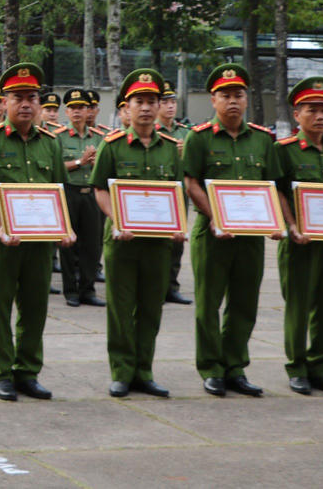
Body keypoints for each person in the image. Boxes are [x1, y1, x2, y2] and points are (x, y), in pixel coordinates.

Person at [0, 63, 74, 401]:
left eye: (32, 97)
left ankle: (28, 372)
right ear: (4, 103)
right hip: (3, 239)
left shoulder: (50, 143)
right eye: (18, 97)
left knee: (35, 306)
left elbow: (58, 189)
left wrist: (64, 229)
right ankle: (0, 373)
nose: (26, 104)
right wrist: (2, 223)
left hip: (40, 240)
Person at [183, 63, 280, 398]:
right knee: (208, 304)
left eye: (238, 94)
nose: (233, 101)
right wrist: (216, 216)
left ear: (246, 97)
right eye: (225, 95)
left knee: (244, 303)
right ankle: (211, 369)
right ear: (213, 100)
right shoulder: (198, 138)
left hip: (251, 237)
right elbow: (191, 183)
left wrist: (279, 222)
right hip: (212, 235)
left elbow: (274, 185)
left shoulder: (264, 140)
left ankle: (235, 367)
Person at [90, 69, 184, 398]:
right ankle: (121, 372)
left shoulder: (171, 148)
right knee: (120, 307)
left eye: (152, 101)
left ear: (160, 106)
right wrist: (117, 219)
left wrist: (178, 226)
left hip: (158, 244)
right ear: (126, 108)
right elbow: (100, 190)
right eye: (138, 101)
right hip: (122, 242)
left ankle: (144, 370)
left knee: (151, 308)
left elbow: (176, 192)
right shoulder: (112, 146)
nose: (145, 108)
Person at [275, 77, 323, 396]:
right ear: (296, 114)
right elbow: (278, 193)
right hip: (299, 243)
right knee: (299, 306)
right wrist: (291, 226)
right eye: (311, 110)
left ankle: (322, 367)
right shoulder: (284, 151)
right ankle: (297, 367)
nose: (319, 116)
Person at [58, 88, 105, 308]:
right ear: (66, 112)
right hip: (69, 192)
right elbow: (56, 168)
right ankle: (71, 290)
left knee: (92, 244)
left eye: (81, 108)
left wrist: (97, 164)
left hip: (91, 194)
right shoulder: (57, 137)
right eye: (72, 108)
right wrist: (80, 162)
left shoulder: (99, 137)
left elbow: (105, 167)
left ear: (88, 111)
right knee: (68, 243)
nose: (77, 112)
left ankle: (88, 289)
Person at [157, 81, 193, 305]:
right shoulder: (152, 132)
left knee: (177, 243)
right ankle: (158, 287)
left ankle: (172, 286)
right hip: (160, 194)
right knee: (159, 242)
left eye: (172, 102)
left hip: (181, 193)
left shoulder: (186, 133)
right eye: (165, 102)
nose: (170, 106)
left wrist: (184, 153)